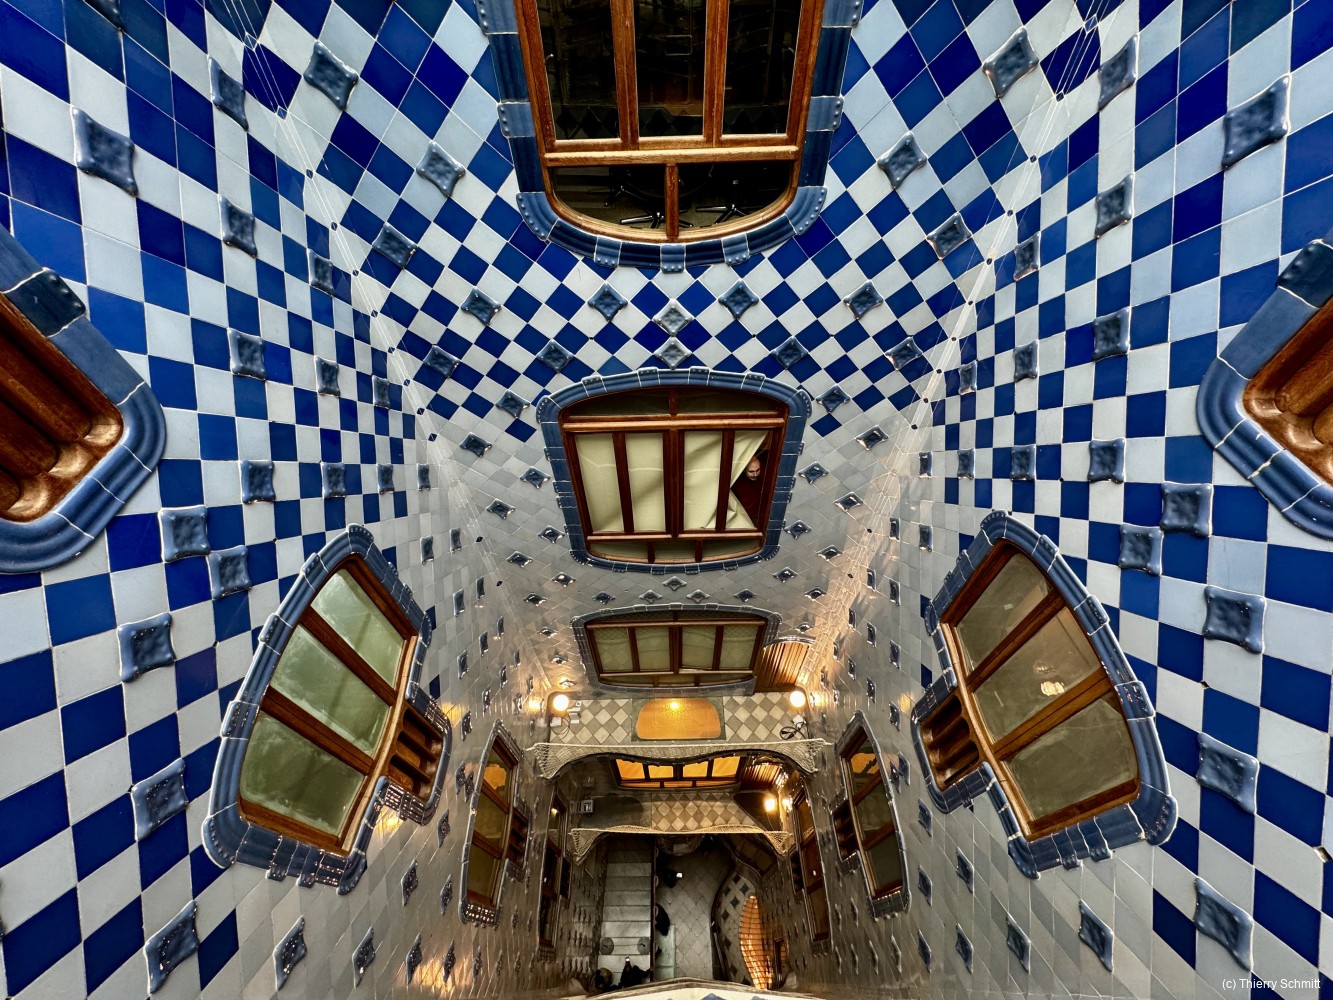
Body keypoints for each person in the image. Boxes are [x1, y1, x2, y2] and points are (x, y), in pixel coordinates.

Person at [729, 454, 764, 525]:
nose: (755, 474)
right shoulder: (736, 482)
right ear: (744, 470)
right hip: (743, 518)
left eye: (758, 470)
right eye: (751, 471)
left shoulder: (765, 475)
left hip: (761, 517)